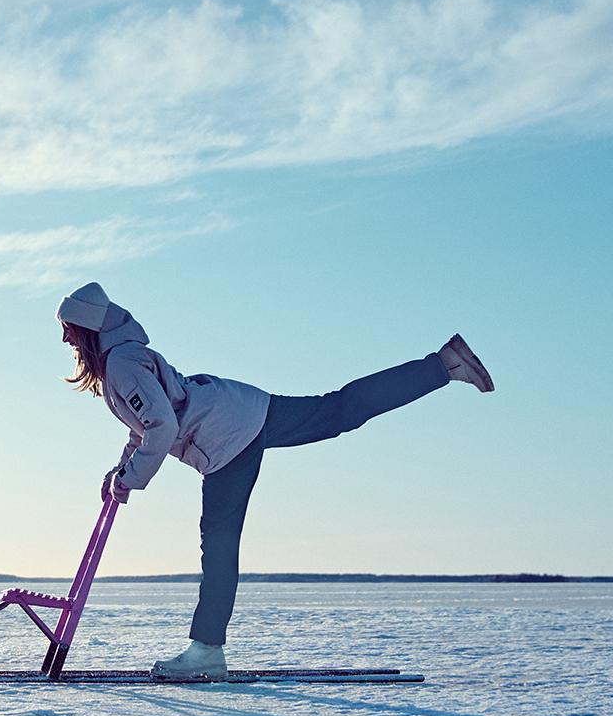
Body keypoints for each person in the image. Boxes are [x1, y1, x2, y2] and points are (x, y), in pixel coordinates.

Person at [57, 281, 493, 680]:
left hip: (226, 436)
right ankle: (443, 366)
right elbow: (146, 425)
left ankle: (206, 651)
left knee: (219, 544)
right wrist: (122, 470)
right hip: (241, 409)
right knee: (337, 410)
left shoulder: (122, 364)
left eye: (68, 329)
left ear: (87, 327)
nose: (65, 339)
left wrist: (131, 478)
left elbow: (161, 425)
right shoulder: (124, 358)